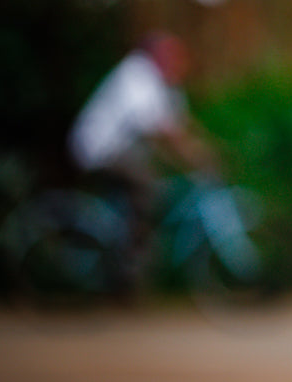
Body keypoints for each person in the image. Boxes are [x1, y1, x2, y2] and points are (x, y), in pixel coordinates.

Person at [67, 31, 217, 285]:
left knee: (157, 185)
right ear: (156, 54)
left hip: (122, 150)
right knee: (148, 186)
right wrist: (194, 155)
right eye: (172, 55)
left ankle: (126, 253)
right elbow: (159, 128)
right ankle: (130, 264)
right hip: (100, 148)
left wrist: (203, 149)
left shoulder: (163, 85)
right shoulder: (136, 73)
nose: (178, 62)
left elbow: (178, 126)